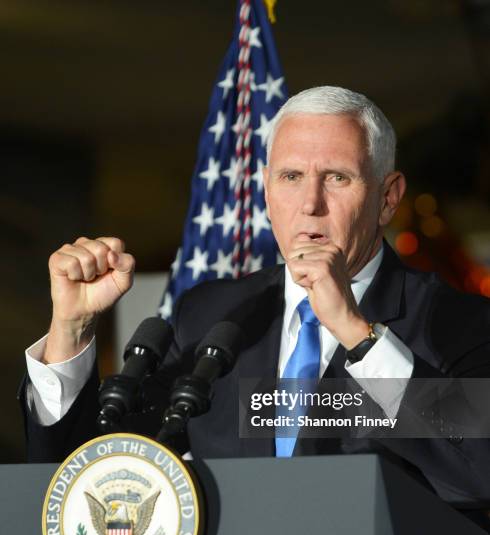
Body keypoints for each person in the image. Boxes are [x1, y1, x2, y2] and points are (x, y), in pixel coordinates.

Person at [19, 86, 490, 510]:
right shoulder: (212, 315)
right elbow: (85, 479)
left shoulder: (459, 324)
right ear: (266, 191)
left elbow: (478, 469)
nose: (310, 202)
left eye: (337, 178)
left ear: (388, 198)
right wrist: (70, 329)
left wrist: (355, 332)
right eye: (290, 177)